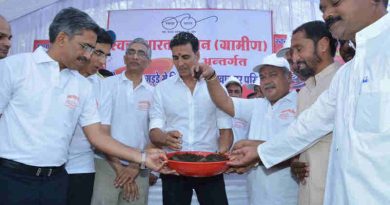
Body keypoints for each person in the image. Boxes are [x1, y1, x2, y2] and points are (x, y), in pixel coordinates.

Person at [226, 0, 390, 204]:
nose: (327, 14)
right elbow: (309, 126)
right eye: (322, 8)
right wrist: (261, 152)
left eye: (335, 3)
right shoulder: (348, 73)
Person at [0, 7, 168, 205]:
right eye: (85, 47)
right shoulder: (13, 67)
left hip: (56, 181)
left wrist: (141, 158)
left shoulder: (82, 85)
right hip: (11, 178)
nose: (88, 56)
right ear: (62, 38)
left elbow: (97, 136)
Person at [199, 53, 299, 205]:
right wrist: (211, 77)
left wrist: (256, 152)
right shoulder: (257, 105)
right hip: (256, 196)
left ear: (289, 77)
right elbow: (224, 101)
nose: (267, 81)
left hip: (290, 196)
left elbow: (297, 149)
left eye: (273, 75)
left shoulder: (301, 103)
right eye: (263, 77)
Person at [149, 32, 233, 205]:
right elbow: (154, 132)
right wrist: (164, 138)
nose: (180, 63)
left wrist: (220, 157)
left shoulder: (216, 88)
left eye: (186, 57)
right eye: (175, 57)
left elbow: (225, 130)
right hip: (174, 169)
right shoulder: (162, 89)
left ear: (198, 55)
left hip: (210, 168)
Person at [91, 38, 154, 205]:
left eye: (141, 53)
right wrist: (120, 169)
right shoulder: (106, 85)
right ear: (125, 58)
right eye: (131, 52)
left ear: (148, 62)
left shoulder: (155, 93)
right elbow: (100, 132)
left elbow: (154, 136)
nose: (135, 56)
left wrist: (134, 167)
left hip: (139, 168)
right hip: (106, 164)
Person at [289, 20, 339, 205]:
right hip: (307, 190)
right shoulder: (303, 91)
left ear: (323, 45)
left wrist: (259, 152)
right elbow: (299, 136)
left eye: (299, 49)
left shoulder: (342, 82)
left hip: (335, 192)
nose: (294, 58)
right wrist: (296, 160)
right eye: (292, 51)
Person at [66, 28, 115, 205]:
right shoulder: (61, 76)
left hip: (82, 168)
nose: (102, 61)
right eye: (98, 53)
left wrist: (137, 160)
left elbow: (102, 135)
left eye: (106, 55)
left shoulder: (102, 86)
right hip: (50, 167)